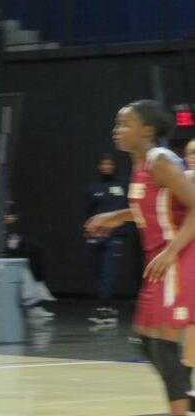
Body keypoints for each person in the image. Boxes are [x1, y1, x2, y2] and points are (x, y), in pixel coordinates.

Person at [85, 100, 195, 416]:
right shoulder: (140, 163)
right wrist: (116, 216)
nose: (117, 130)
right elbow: (153, 207)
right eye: (117, 124)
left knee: (162, 344)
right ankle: (185, 401)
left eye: (124, 124)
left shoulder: (160, 160)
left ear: (146, 130)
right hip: (162, 259)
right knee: (146, 342)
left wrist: (171, 251)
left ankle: (181, 409)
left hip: (179, 257)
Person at [86, 153, 129, 324]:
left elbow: (128, 208)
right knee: (98, 272)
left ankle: (105, 307)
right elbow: (88, 211)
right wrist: (89, 230)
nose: (106, 167)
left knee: (108, 272)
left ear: (113, 166)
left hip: (115, 236)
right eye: (103, 164)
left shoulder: (122, 184)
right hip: (96, 236)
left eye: (109, 164)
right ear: (99, 166)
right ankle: (106, 305)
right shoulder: (93, 187)